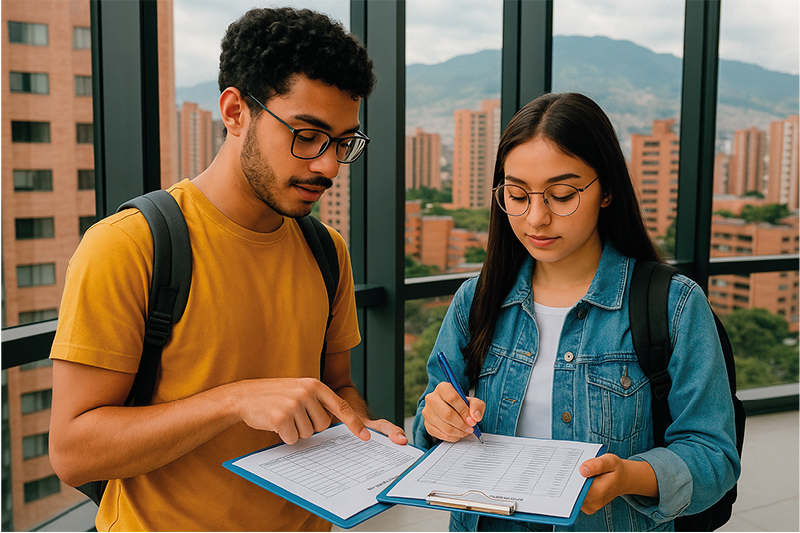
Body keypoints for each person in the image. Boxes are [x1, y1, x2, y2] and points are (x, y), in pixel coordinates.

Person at [48, 7, 406, 532]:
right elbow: (73, 453)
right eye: (307, 135)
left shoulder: (327, 251)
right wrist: (233, 401)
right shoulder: (127, 246)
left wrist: (361, 431)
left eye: (342, 142)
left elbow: (337, 386)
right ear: (236, 111)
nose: (328, 165)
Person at [413, 92, 740, 532]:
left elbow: (714, 456)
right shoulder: (476, 299)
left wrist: (630, 476)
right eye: (517, 195)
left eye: (562, 195)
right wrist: (436, 419)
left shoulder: (672, 305)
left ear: (607, 191)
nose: (536, 218)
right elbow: (430, 420)